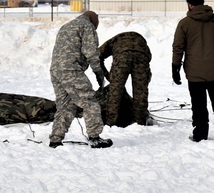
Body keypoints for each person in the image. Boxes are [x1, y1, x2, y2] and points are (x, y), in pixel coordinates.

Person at [172, 0, 214, 141]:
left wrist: (175, 67)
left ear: (190, 5)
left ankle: (200, 134)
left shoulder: (184, 23)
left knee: (198, 105)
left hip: (195, 73)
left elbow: (178, 47)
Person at [48, 10, 112, 148]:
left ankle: (55, 139)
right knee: (89, 102)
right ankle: (95, 137)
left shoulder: (66, 26)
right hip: (71, 70)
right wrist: (99, 73)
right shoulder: (87, 26)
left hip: (55, 70)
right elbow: (91, 52)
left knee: (65, 105)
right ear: (93, 21)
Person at [98, 31, 152, 126]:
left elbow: (97, 56)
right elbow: (148, 59)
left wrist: (108, 75)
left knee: (115, 93)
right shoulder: (141, 42)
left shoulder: (114, 41)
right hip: (141, 56)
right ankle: (140, 122)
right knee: (140, 93)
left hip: (122, 56)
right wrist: (144, 81)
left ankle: (111, 123)